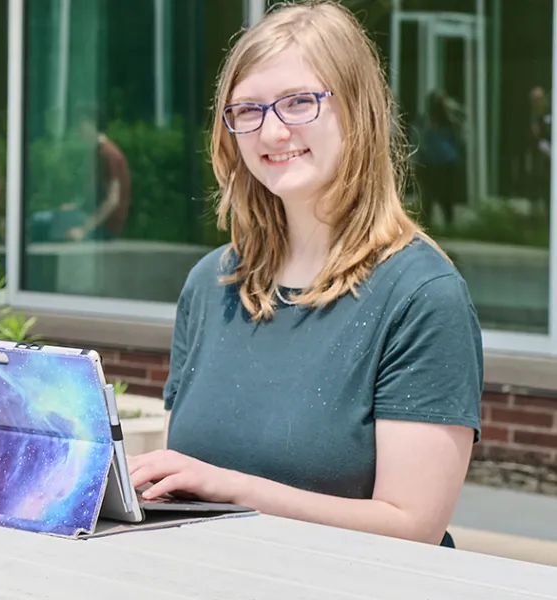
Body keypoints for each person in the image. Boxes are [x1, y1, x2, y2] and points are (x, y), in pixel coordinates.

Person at [130, 0, 482, 548]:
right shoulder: (210, 283)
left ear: (358, 110)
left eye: (298, 103)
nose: (271, 133)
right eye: (247, 110)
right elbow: (186, 487)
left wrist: (231, 489)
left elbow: (413, 526)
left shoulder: (422, 295)